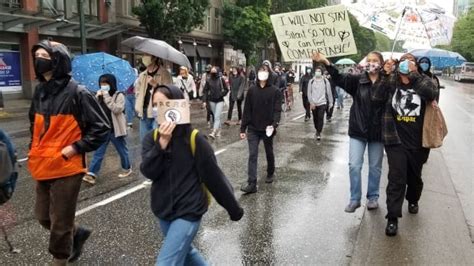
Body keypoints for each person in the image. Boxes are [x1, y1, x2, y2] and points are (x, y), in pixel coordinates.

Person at [140, 85, 244, 265]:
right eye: (155, 104)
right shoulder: (152, 138)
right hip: (163, 210)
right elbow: (149, 171)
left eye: (164, 104)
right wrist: (161, 145)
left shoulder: (195, 139)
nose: (159, 109)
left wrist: (233, 209)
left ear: (177, 105)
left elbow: (214, 178)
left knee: (167, 262)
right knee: (186, 253)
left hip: (189, 210)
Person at [28, 40, 109, 265]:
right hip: (42, 165)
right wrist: (32, 151)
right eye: (37, 55)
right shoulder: (39, 91)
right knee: (43, 217)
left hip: (67, 167)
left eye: (45, 55)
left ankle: (60, 259)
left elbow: (102, 128)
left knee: (60, 224)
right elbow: (34, 125)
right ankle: (77, 233)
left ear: (57, 60)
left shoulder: (78, 92)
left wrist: (74, 148)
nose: (38, 60)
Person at [312, 51, 386, 213]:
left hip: (378, 132)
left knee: (375, 167)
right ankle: (354, 199)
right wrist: (326, 62)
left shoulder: (386, 82)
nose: (372, 63)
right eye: (369, 60)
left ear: (381, 63)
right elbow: (338, 78)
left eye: (375, 61)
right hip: (358, 130)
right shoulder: (358, 80)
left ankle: (373, 197)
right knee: (354, 165)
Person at [373, 53, 437, 236]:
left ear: (415, 65)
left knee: (414, 177)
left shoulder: (424, 80)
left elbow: (432, 93)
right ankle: (392, 217)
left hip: (418, 142)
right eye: (402, 61)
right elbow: (376, 97)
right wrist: (384, 74)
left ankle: (413, 198)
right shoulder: (391, 80)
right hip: (395, 140)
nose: (405, 64)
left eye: (410, 62)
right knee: (396, 178)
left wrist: (413, 75)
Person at [82, 74, 132, 185]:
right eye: (101, 83)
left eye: (106, 83)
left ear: (111, 83)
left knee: (122, 150)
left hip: (115, 129)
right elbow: (93, 110)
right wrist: (96, 98)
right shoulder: (99, 95)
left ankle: (127, 168)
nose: (103, 86)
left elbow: (117, 109)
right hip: (103, 129)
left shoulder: (119, 95)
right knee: (98, 152)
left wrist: (106, 97)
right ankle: (91, 174)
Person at [240, 64, 282, 194]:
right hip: (253, 128)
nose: (262, 73)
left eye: (265, 71)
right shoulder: (252, 90)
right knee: (252, 154)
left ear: (269, 74)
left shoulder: (275, 91)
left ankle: (270, 172)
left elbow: (277, 110)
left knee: (269, 151)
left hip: (267, 128)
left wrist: (274, 124)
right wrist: (243, 128)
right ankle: (252, 183)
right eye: (260, 70)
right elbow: (247, 110)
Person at [135, 54, 173, 140]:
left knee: (157, 140)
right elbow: (137, 91)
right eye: (143, 55)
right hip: (144, 112)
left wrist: (156, 85)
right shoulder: (142, 75)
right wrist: (138, 104)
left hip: (158, 112)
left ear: (154, 57)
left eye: (147, 55)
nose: (144, 57)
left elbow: (169, 92)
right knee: (145, 141)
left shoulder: (164, 73)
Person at [307, 66, 333, 140]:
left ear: (321, 72)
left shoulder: (325, 81)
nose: (317, 72)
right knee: (315, 118)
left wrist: (331, 102)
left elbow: (329, 92)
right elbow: (309, 93)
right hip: (314, 103)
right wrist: (311, 102)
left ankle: (319, 132)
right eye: (316, 71)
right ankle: (317, 129)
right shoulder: (311, 81)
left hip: (322, 103)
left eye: (319, 71)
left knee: (320, 117)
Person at [202, 66, 229, 139]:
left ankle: (213, 132)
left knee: (216, 116)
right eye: (212, 71)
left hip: (220, 100)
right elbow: (205, 91)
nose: (213, 72)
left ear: (217, 71)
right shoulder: (208, 80)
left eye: (214, 70)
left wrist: (221, 94)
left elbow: (226, 89)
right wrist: (204, 101)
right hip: (211, 100)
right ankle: (219, 130)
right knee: (215, 116)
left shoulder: (221, 79)